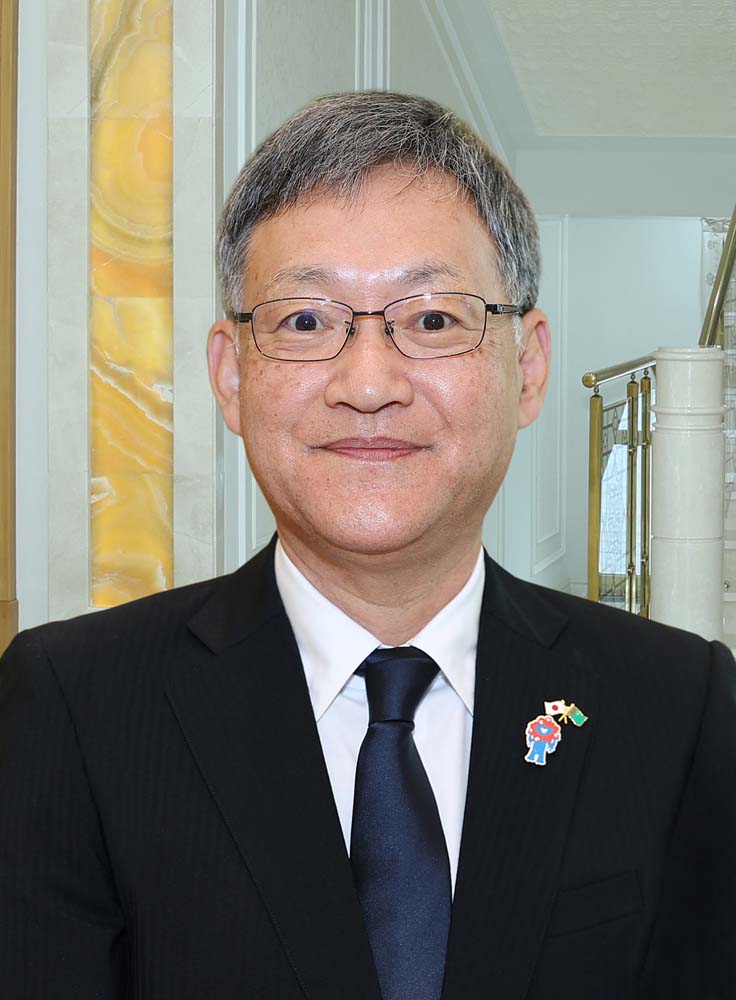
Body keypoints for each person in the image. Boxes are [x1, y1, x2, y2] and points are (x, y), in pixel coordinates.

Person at [0, 91, 734, 1000]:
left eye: (432, 319)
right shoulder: (72, 707)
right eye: (306, 321)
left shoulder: (676, 702)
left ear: (528, 368)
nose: (370, 383)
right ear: (230, 377)